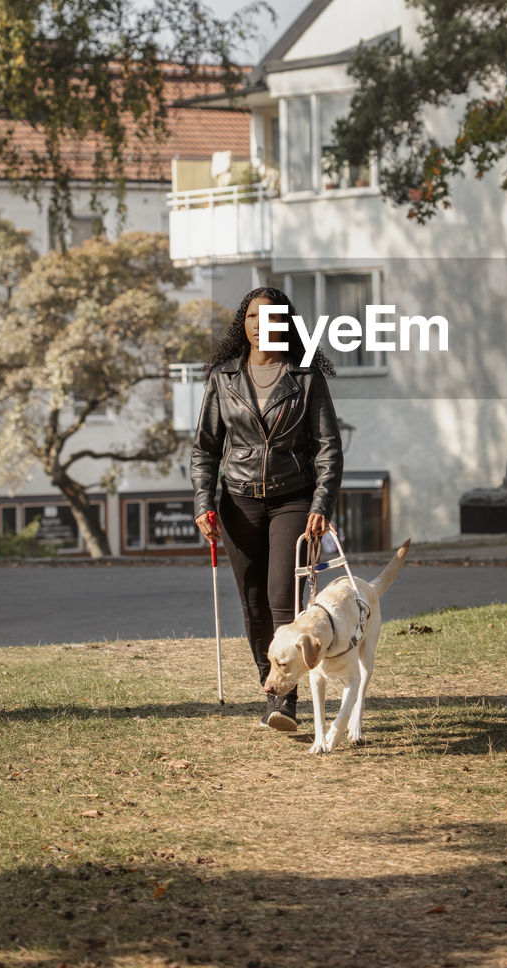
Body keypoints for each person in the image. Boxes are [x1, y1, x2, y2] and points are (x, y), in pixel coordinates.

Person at [191, 286, 343, 733]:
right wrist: (204, 502)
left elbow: (328, 450)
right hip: (237, 502)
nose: (263, 326)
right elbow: (204, 449)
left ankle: (288, 703)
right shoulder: (223, 379)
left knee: (282, 600)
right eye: (255, 317)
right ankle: (272, 687)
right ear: (245, 324)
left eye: (273, 318)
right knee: (253, 603)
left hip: (293, 498)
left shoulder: (306, 377)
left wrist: (321, 503)